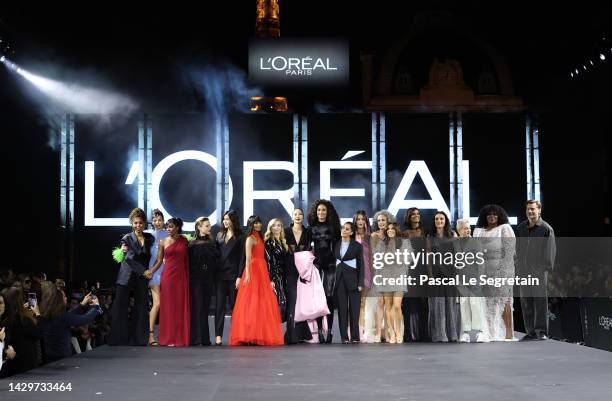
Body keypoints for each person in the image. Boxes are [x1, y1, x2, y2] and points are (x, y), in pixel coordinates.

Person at [229, 216, 284, 346]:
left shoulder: (260, 238)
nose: (258, 225)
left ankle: (257, 334)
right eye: (255, 223)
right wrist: (247, 273)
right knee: (250, 302)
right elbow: (247, 258)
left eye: (259, 222)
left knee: (261, 302)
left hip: (262, 270)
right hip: (253, 270)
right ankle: (248, 335)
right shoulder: (250, 239)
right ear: (251, 225)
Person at [109, 208, 154, 346]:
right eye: (135, 223)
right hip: (127, 275)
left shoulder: (149, 238)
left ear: (144, 224)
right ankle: (118, 339)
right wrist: (144, 271)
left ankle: (139, 339)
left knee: (141, 306)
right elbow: (128, 259)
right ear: (131, 223)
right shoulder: (126, 238)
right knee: (120, 306)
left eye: (140, 223)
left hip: (141, 277)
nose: (138, 226)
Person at [473, 204, 516, 341]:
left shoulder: (505, 228)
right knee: (486, 304)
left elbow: (510, 253)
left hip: (502, 270)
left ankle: (508, 334)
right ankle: (490, 333)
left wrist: (503, 272)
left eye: (495, 214)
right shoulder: (478, 231)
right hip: (483, 271)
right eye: (489, 214)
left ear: (499, 216)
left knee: (504, 301)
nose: (492, 216)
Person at [146, 217, 190, 347]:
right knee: (169, 307)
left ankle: (180, 337)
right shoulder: (163, 241)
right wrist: (151, 271)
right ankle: (168, 337)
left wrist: (187, 278)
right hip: (168, 277)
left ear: (177, 227)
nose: (168, 229)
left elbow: (187, 261)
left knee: (179, 307)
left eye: (171, 227)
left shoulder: (184, 241)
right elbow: (159, 261)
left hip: (181, 276)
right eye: (167, 227)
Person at [515, 200, 556, 341]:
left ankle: (542, 331)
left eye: (533, 209)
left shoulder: (545, 229)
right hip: (523, 272)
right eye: (528, 209)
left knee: (540, 303)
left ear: (539, 210)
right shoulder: (521, 228)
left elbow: (549, 253)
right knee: (526, 302)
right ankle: (531, 332)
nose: (530, 212)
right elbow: (517, 249)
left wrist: (542, 270)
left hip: (538, 272)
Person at [39, 281, 102, 362]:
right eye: (64, 297)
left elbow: (69, 315)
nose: (66, 298)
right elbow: (84, 319)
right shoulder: (62, 317)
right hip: (62, 358)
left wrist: (81, 305)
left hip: (50, 356)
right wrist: (96, 308)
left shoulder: (48, 315)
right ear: (59, 301)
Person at [308, 199, 341, 343]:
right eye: (319, 210)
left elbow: (340, 246)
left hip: (331, 264)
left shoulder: (334, 228)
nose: (321, 213)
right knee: (318, 298)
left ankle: (330, 332)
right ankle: (320, 332)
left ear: (328, 212)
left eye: (324, 210)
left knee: (329, 296)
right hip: (317, 265)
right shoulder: (311, 228)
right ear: (315, 212)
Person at [372, 223, 410, 343]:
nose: (390, 230)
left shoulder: (404, 242)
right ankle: (392, 333)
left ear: (396, 230)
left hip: (399, 277)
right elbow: (377, 258)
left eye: (392, 228)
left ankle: (399, 332)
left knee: (397, 306)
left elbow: (408, 259)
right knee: (388, 306)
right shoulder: (382, 242)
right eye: (388, 229)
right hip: (385, 277)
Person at [454, 219, 489, 343]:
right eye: (464, 228)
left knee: (475, 305)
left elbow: (481, 263)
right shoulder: (455, 243)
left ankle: (480, 332)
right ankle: (465, 333)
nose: (468, 230)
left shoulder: (476, 243)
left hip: (474, 278)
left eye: (469, 228)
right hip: (461, 279)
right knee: (464, 305)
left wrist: (479, 278)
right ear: (459, 230)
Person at [427, 211, 459, 342]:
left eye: (441, 219)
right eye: (436, 219)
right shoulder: (430, 236)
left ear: (445, 221)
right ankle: (439, 335)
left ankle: (452, 334)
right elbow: (428, 257)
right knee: (437, 305)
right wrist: (430, 276)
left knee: (450, 305)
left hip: (450, 272)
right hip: (435, 273)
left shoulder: (452, 234)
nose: (439, 221)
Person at [284, 208, 314, 343]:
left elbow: (311, 250)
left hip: (304, 272)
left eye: (300, 214)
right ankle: (290, 334)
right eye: (295, 214)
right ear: (292, 216)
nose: (298, 216)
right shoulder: (285, 231)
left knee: (302, 301)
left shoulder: (308, 232)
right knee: (292, 301)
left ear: (303, 217)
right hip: (289, 271)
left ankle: (302, 333)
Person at [214, 210, 244, 345]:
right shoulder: (219, 235)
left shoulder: (241, 236)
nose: (225, 221)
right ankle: (218, 336)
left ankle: (236, 335)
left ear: (233, 220)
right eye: (224, 219)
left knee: (235, 307)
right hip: (220, 276)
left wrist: (239, 276)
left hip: (233, 276)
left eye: (228, 219)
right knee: (219, 307)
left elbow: (242, 259)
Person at [188, 217, 219, 346]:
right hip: (196, 278)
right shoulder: (192, 244)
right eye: (206, 226)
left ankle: (205, 338)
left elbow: (216, 260)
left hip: (208, 278)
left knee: (205, 308)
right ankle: (196, 338)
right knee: (197, 307)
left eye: (209, 225)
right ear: (199, 227)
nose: (209, 227)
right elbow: (189, 262)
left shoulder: (213, 242)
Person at [333, 222, 364, 344]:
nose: (344, 230)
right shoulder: (336, 245)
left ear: (351, 232)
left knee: (355, 310)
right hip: (340, 280)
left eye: (347, 229)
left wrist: (361, 282)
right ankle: (344, 337)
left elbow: (362, 266)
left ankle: (355, 337)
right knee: (342, 309)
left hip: (354, 281)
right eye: (342, 228)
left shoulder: (357, 246)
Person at [402, 207, 429, 342]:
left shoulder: (425, 231)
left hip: (423, 269)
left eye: (418, 214)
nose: (416, 216)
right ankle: (408, 334)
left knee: (424, 304)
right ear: (408, 217)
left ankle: (424, 334)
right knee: (408, 303)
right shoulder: (404, 233)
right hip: (410, 270)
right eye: (413, 214)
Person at [0, 288, 40, 377]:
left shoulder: (10, 320)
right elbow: (38, 334)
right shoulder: (22, 320)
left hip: (11, 367)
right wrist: (37, 314)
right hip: (24, 366)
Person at [368, 210, 394, 342]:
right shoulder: (374, 235)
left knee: (388, 304)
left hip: (390, 272)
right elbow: (372, 255)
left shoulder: (392, 235)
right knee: (380, 302)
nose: (381, 222)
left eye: (383, 220)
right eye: (379, 220)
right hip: (378, 272)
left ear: (388, 221)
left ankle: (387, 333)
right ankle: (378, 332)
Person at [146, 209, 168, 346]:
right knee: (157, 303)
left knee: (166, 305)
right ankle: (150, 335)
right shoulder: (147, 234)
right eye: (155, 220)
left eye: (160, 220)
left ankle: (165, 335)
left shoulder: (168, 234)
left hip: (167, 271)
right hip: (153, 271)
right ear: (152, 221)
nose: (157, 222)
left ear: (163, 220)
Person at [353, 210, 373, 342]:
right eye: (358, 219)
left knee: (363, 303)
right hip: (353, 272)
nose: (360, 221)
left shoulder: (370, 236)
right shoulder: (350, 236)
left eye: (363, 219)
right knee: (354, 303)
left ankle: (363, 331)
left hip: (367, 271)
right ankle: (354, 331)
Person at [264, 218, 288, 324]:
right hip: (275, 277)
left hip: (283, 277)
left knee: (282, 305)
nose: (276, 227)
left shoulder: (283, 242)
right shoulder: (269, 243)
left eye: (279, 225)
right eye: (274, 225)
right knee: (276, 306)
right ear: (270, 228)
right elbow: (270, 262)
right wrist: (271, 279)